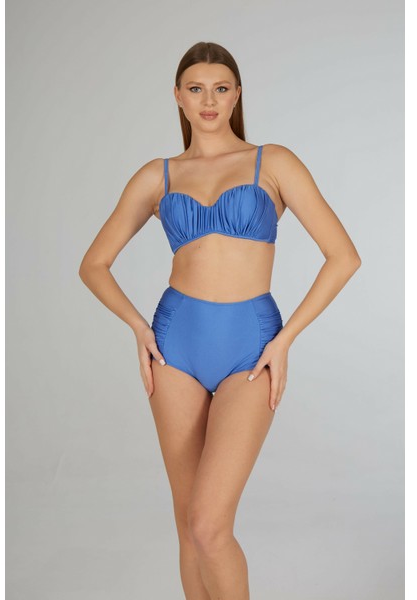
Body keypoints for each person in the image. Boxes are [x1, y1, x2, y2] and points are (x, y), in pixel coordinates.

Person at [79, 41, 361, 600]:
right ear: (178, 98)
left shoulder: (272, 162)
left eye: (221, 88)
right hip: (174, 344)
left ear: (237, 96)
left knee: (210, 525)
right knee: (189, 528)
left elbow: (343, 257)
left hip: (251, 346)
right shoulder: (158, 176)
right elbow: (93, 264)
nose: (208, 100)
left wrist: (285, 339)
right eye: (196, 89)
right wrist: (139, 328)